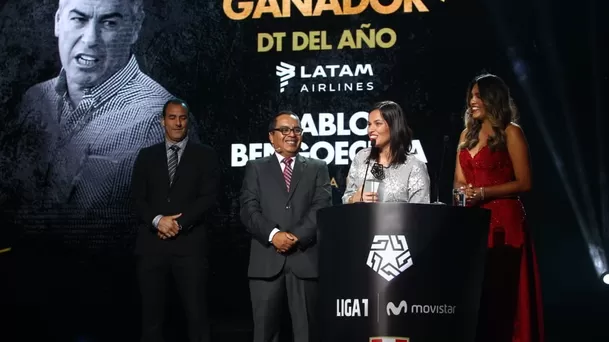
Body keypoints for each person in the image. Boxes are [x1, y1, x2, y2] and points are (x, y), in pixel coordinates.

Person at [453, 73, 544, 342]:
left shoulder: (511, 132)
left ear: (493, 97)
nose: (472, 101)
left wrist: (483, 192)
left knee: (507, 293)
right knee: (480, 294)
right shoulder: (465, 135)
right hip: (474, 222)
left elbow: (525, 182)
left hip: (506, 220)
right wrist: (464, 193)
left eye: (478, 95)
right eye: (471, 95)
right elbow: (458, 180)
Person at [240, 110, 332, 342]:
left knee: (307, 334)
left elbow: (321, 207)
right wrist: (274, 235)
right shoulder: (256, 167)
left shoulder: (317, 167)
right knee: (264, 334)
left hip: (304, 259)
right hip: (266, 261)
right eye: (285, 130)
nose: (292, 134)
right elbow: (248, 210)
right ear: (272, 136)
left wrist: (294, 237)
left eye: (297, 130)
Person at [131, 98, 219, 342]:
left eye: (182, 117)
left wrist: (178, 224)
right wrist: (158, 221)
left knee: (197, 316)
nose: (178, 123)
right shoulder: (146, 156)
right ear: (162, 121)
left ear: (188, 121)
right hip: (151, 248)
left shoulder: (205, 155)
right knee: (151, 318)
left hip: (190, 248)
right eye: (172, 117)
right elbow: (137, 198)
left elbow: (209, 197)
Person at [342, 100, 430, 204]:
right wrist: (353, 199)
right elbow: (346, 198)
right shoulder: (361, 158)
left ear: (394, 127)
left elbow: (420, 212)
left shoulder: (414, 167)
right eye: (369, 124)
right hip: (362, 220)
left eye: (378, 124)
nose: (370, 130)